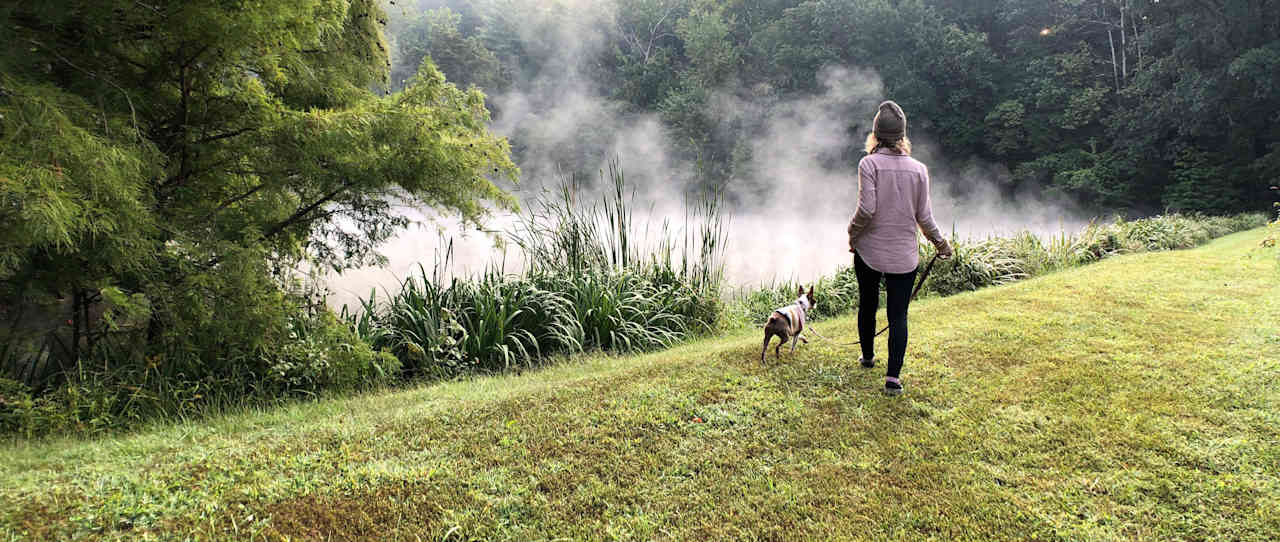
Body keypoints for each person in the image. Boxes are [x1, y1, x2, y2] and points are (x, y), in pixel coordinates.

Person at [846, 100, 952, 396]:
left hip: (869, 251)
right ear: (903, 136)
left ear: (876, 134)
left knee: (867, 304)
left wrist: (852, 233)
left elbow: (866, 210)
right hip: (905, 255)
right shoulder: (919, 170)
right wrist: (941, 245)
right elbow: (925, 218)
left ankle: (867, 357)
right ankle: (893, 378)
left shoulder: (868, 164)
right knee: (898, 316)